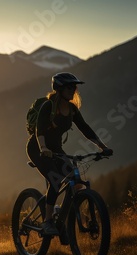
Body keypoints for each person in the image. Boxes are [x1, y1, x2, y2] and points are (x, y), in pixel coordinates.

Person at [26, 73, 113, 235]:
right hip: (38, 147)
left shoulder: (72, 109)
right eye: (69, 87)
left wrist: (102, 147)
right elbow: (40, 129)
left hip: (56, 149)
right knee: (56, 180)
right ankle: (47, 222)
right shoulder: (48, 106)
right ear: (59, 89)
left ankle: (65, 218)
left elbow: (85, 128)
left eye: (74, 87)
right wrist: (44, 148)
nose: (73, 90)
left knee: (75, 180)